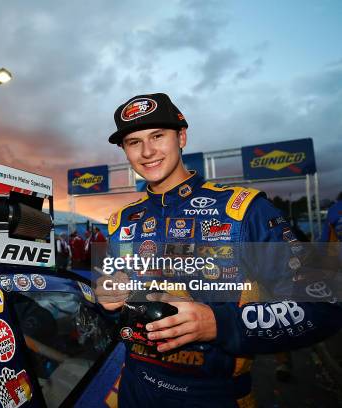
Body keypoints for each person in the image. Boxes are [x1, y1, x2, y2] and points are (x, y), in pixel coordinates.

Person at [95, 93, 340, 407]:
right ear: (125, 150)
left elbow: (324, 304)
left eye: (158, 136)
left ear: (181, 136)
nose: (147, 151)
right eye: (133, 142)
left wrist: (220, 324)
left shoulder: (244, 210)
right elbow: (106, 297)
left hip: (213, 393)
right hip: (135, 387)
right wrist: (105, 297)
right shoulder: (120, 221)